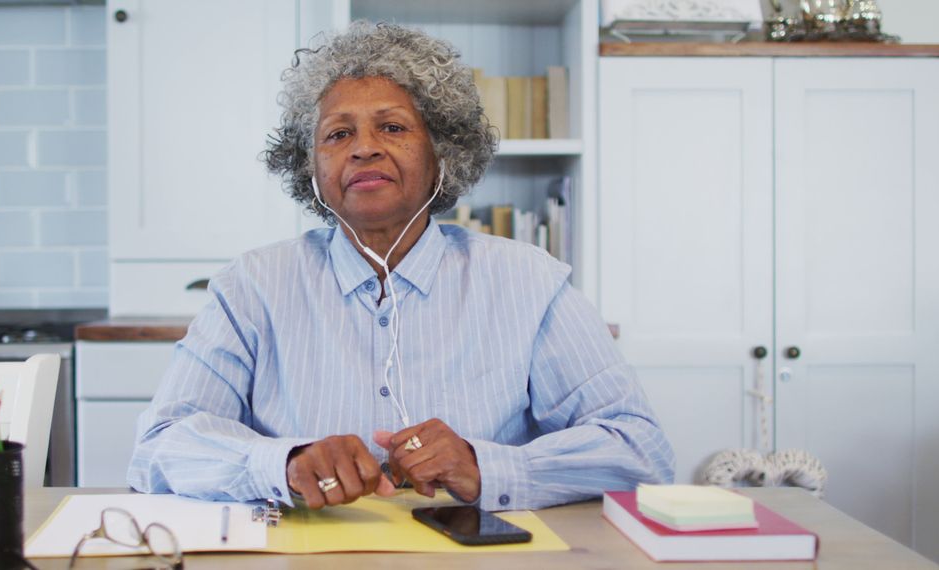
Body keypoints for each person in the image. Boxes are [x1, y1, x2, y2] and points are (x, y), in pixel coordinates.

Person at [128, 21, 674, 512]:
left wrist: (484, 466)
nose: (363, 149)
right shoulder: (251, 287)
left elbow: (638, 448)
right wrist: (284, 464)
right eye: (338, 134)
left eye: (392, 127)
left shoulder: (529, 281)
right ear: (311, 170)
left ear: (442, 152)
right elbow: (159, 446)